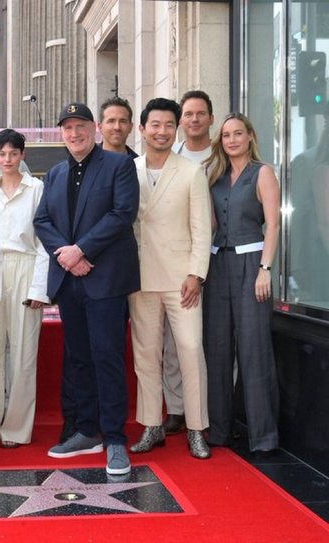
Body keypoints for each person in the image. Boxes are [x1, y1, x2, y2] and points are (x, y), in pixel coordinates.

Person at [34, 102, 140, 476]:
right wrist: (67, 256)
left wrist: (82, 250)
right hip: (70, 281)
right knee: (77, 358)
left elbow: (122, 214)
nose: (74, 133)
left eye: (80, 126)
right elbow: (42, 220)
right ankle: (87, 431)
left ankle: (115, 439)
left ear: (94, 128)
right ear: (61, 133)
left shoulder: (119, 165)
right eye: (68, 128)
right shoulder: (56, 173)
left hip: (105, 280)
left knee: (107, 357)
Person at [128, 98, 211, 460]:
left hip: (182, 280)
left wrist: (196, 273)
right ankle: (151, 425)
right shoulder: (128, 170)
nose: (161, 131)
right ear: (142, 129)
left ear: (175, 129)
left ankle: (196, 428)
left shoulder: (192, 172)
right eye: (155, 125)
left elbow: (202, 228)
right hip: (140, 277)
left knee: (191, 350)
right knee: (146, 355)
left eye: (168, 125)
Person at [202, 113, 280, 456]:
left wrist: (265, 269)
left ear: (249, 136)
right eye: (226, 135)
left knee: (254, 350)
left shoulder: (262, 172)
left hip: (252, 265)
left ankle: (264, 437)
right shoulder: (214, 176)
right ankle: (219, 431)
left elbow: (273, 225)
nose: (231, 140)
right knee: (217, 350)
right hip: (217, 265)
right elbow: (209, 225)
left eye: (237, 133)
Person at [0, 129, 49, 447]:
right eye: (2, 153)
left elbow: (44, 241)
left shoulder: (37, 189)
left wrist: (39, 288)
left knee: (24, 354)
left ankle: (16, 428)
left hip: (25, 270)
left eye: (13, 153)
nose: (7, 159)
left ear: (22, 155)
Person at [161, 90, 216, 435]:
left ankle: (215, 409)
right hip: (178, 265)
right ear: (181, 121)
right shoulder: (171, 156)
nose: (194, 120)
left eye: (201, 113)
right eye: (188, 114)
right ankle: (177, 408)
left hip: (219, 258)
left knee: (213, 339)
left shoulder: (223, 154)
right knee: (174, 343)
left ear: (211, 118)